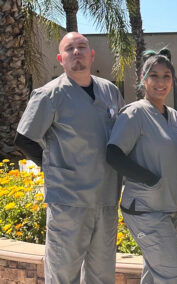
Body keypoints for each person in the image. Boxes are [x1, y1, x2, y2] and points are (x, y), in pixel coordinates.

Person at [14, 32, 125, 283]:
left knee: (102, 274)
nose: (77, 52)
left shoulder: (110, 91)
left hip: (106, 199)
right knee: (63, 274)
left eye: (82, 47)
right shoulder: (49, 95)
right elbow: (24, 138)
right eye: (70, 49)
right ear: (61, 59)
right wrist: (53, 168)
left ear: (91, 55)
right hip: (68, 202)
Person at [106, 49, 177, 284]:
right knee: (173, 273)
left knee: (155, 273)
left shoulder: (173, 115)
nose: (161, 82)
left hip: (171, 207)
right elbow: (113, 154)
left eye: (166, 76)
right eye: (154, 75)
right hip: (146, 209)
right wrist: (150, 179)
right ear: (143, 79)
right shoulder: (135, 113)